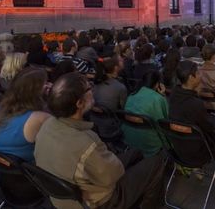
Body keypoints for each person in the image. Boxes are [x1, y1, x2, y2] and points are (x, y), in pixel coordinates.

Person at [34, 72, 165, 209]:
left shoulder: (46, 125)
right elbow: (114, 175)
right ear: (79, 103)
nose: (93, 89)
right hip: (100, 202)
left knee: (136, 153)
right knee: (155, 163)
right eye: (89, 88)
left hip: (63, 198)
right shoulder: (86, 143)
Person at [0, 68, 51, 162]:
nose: (49, 85)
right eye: (46, 83)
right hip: (25, 171)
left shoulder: (0, 109)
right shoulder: (40, 118)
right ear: (35, 90)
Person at [122, 71, 168, 157]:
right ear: (158, 84)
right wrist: (163, 95)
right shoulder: (158, 99)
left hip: (128, 139)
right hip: (149, 144)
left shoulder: (131, 96)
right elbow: (166, 120)